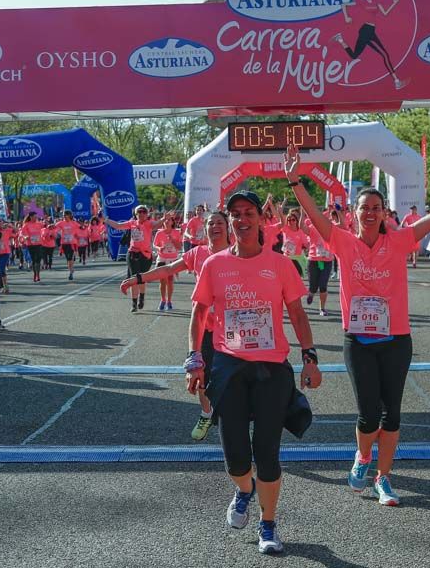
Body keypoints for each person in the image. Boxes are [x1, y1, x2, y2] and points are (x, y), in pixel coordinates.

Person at [285, 143, 430, 505]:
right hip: (358, 341)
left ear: (385, 212)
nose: (370, 213)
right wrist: (295, 181)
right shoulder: (342, 241)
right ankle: (363, 457)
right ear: (353, 213)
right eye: (364, 208)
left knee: (392, 415)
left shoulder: (399, 241)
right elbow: (312, 213)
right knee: (368, 414)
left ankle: (383, 477)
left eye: (376, 208)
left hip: (396, 340)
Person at [188, 190, 321, 554]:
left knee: (267, 451)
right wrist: (194, 360)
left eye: (249, 213)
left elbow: (297, 314)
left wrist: (310, 357)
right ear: (229, 220)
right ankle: (244, 490)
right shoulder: (214, 264)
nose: (242, 219)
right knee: (235, 457)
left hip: (271, 367)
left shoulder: (280, 264)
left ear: (261, 219)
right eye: (236, 214)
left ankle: (268, 523)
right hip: (229, 365)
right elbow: (199, 314)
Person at [122, 210, 231, 440]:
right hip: (204, 327)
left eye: (220, 223)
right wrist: (139, 278)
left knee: (236, 378)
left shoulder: (238, 253)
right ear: (205, 229)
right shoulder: (198, 253)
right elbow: (169, 269)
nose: (215, 227)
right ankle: (206, 413)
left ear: (228, 227)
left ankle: (238, 419)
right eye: (211, 223)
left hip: (232, 329)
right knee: (200, 374)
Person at [332, 0, 408, 89]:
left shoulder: (376, 1)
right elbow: (344, 5)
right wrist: (346, 17)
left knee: (354, 56)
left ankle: (340, 40)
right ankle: (396, 81)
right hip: (366, 31)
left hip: (370, 30)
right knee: (384, 55)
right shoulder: (361, 1)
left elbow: (385, 13)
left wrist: (394, 3)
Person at [105, 205, 159, 312]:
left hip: (146, 255)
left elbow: (157, 225)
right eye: (139, 212)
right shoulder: (132, 223)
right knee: (134, 278)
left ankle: (141, 297)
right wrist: (106, 220)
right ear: (136, 214)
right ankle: (134, 303)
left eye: (144, 212)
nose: (141, 214)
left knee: (142, 279)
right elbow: (118, 226)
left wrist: (164, 219)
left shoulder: (149, 223)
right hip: (133, 253)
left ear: (147, 214)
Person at [302, 211, 334, 316]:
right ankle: (311, 293)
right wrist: (302, 212)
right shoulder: (312, 227)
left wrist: (338, 212)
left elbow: (343, 226)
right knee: (313, 286)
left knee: (323, 285)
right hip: (314, 260)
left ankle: (322, 308)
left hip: (327, 260)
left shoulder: (331, 228)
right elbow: (301, 226)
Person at [152, 213, 184, 311]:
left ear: (172, 222)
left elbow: (179, 247)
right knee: (162, 281)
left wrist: (173, 240)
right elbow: (154, 245)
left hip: (172, 259)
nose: (166, 221)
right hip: (162, 258)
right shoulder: (159, 233)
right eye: (165, 220)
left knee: (170, 281)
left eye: (169, 220)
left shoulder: (176, 232)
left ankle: (169, 301)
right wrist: (159, 248)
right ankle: (163, 300)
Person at [280, 208, 309, 276]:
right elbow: (281, 220)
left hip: (297, 258)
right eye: (289, 220)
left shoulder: (300, 232)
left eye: (293, 220)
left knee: (296, 277)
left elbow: (306, 244)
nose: (291, 221)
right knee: (286, 277)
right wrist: (280, 212)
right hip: (287, 257)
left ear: (296, 221)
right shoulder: (285, 229)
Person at [20, 214, 44, 283]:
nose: (36, 218)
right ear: (31, 217)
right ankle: (35, 274)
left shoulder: (39, 224)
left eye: (36, 217)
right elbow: (22, 233)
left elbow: (46, 227)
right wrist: (25, 237)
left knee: (38, 260)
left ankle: (38, 275)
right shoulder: (26, 225)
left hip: (39, 244)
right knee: (34, 260)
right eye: (34, 217)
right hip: (31, 244)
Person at [0, 218, 14, 294]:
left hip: (5, 253)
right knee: (1, 271)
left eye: (1, 222)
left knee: (0, 269)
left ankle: (1, 286)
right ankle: (5, 286)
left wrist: (10, 225)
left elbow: (16, 232)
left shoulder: (7, 230)